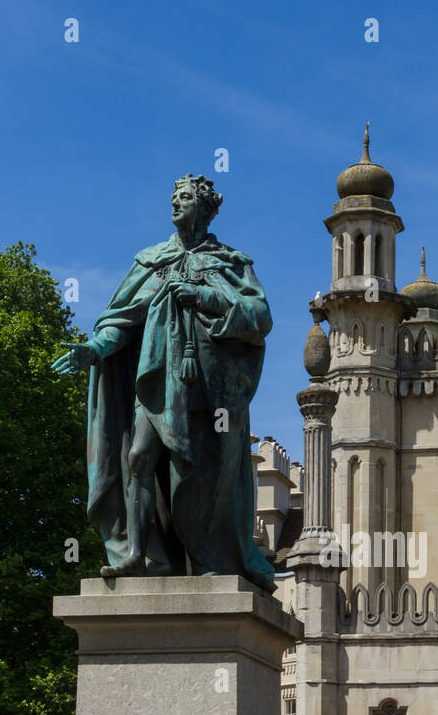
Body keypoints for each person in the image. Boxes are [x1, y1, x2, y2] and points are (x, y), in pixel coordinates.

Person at [51, 174, 275, 589]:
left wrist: (205, 297)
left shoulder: (230, 262)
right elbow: (122, 319)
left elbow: (259, 317)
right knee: (137, 457)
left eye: (186, 197)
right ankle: (137, 555)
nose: (176, 203)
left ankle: (206, 557)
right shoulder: (151, 260)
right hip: (154, 385)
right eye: (173, 196)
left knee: (196, 475)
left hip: (204, 393)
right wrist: (95, 350)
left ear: (205, 209)